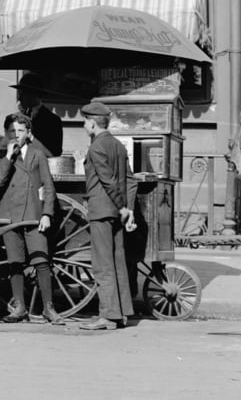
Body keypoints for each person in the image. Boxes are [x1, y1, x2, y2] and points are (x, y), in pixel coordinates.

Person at [0, 113, 62, 325]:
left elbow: (48, 186)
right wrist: (7, 156)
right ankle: (19, 307)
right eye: (12, 131)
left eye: (21, 131)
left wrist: (47, 214)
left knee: (41, 261)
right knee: (15, 263)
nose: (16, 135)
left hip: (33, 215)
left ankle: (48, 308)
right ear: (6, 134)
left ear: (28, 134)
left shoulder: (37, 154)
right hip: (10, 216)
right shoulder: (0, 157)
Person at [77, 102, 138, 331]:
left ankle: (107, 316)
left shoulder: (96, 148)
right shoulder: (119, 146)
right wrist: (128, 209)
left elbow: (107, 181)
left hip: (102, 211)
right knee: (117, 262)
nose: (84, 125)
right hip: (117, 214)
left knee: (102, 264)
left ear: (92, 123)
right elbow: (130, 181)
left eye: (85, 121)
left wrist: (122, 206)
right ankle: (122, 313)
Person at [10, 71, 63, 157]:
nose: (19, 98)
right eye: (19, 94)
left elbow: (54, 154)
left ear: (33, 94)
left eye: (22, 94)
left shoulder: (53, 121)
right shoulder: (17, 117)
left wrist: (30, 138)